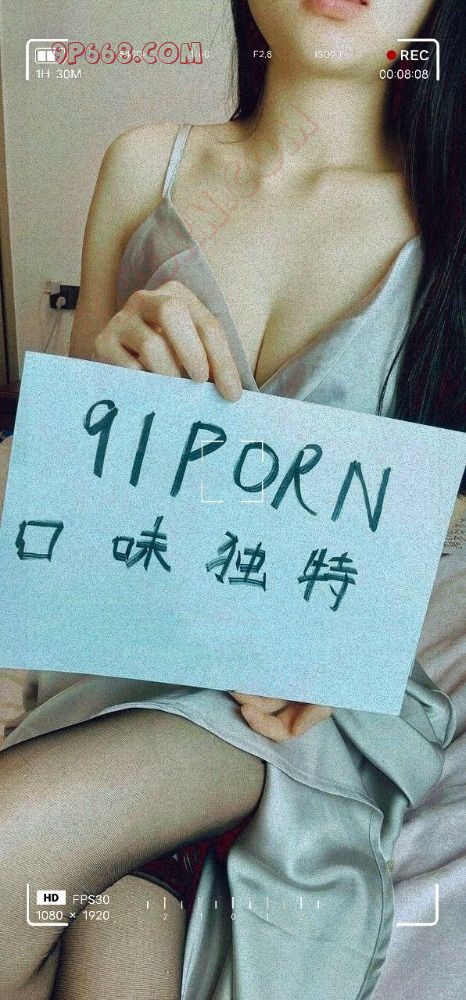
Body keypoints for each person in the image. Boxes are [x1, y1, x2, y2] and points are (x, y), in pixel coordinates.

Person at [0, 1, 463, 998]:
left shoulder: (449, 222)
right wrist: (109, 374)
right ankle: (157, 854)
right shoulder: (146, 167)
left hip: (310, 698)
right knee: (109, 939)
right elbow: (74, 516)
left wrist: (338, 644)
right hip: (129, 649)